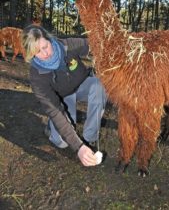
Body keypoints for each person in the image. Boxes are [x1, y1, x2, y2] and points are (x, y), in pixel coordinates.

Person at [22, 24, 107, 167]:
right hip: (62, 98)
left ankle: (89, 138)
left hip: (82, 84)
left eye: (46, 46)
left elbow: (95, 44)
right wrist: (78, 148)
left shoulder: (67, 46)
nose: (46, 53)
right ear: (31, 54)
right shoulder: (37, 75)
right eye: (38, 51)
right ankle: (52, 128)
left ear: (49, 39)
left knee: (100, 86)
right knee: (62, 142)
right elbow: (54, 110)